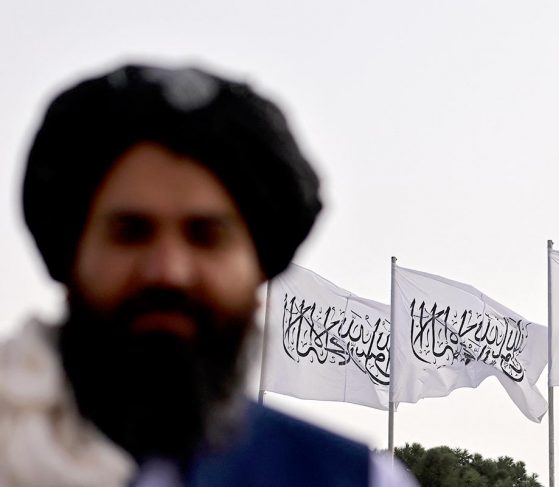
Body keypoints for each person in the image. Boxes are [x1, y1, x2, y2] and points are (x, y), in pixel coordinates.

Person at [0, 63, 416, 487]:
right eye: (130, 233)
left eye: (206, 236)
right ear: (72, 258)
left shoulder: (354, 479)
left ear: (259, 270)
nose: (167, 271)